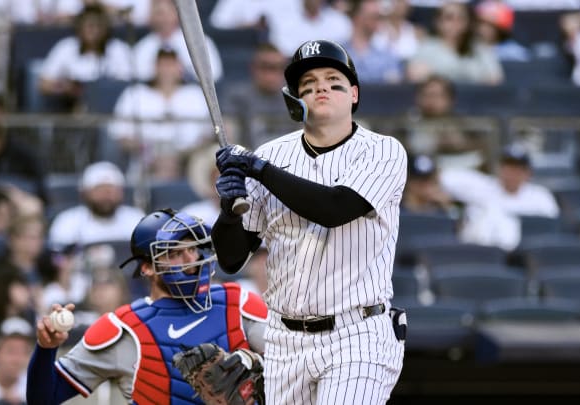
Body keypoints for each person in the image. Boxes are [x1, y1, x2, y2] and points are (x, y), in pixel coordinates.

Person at [211, 39, 406, 404]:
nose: (321, 87)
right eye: (309, 83)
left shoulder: (383, 150)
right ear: (295, 100)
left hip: (357, 332)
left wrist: (257, 169)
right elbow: (232, 257)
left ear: (354, 94)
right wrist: (228, 206)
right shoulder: (272, 155)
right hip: (284, 339)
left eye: (334, 81)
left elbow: (334, 208)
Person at [25, 209, 268, 404]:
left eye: (192, 249)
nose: (190, 261)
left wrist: (256, 367)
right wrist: (46, 349)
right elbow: (44, 398)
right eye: (174, 253)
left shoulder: (238, 303)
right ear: (147, 268)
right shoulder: (123, 328)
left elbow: (294, 365)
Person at [108, 47, 212, 181]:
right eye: (162, 64)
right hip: (145, 158)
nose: (167, 70)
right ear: (154, 67)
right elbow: (120, 134)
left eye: (171, 64)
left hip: (189, 158)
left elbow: (209, 133)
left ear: (180, 68)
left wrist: (187, 153)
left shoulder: (195, 94)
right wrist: (146, 150)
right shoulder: (135, 93)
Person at [47, 161, 145, 247]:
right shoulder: (67, 222)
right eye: (100, 190)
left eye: (111, 191)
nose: (106, 196)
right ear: (84, 193)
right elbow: (58, 258)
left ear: (121, 193)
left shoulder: (136, 219)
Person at [406, 1, 503, 85]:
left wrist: (436, 73)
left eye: (460, 18)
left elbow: (495, 79)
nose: (455, 23)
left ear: (468, 23)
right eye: (449, 18)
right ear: (438, 22)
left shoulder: (479, 47)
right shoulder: (427, 46)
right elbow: (415, 75)